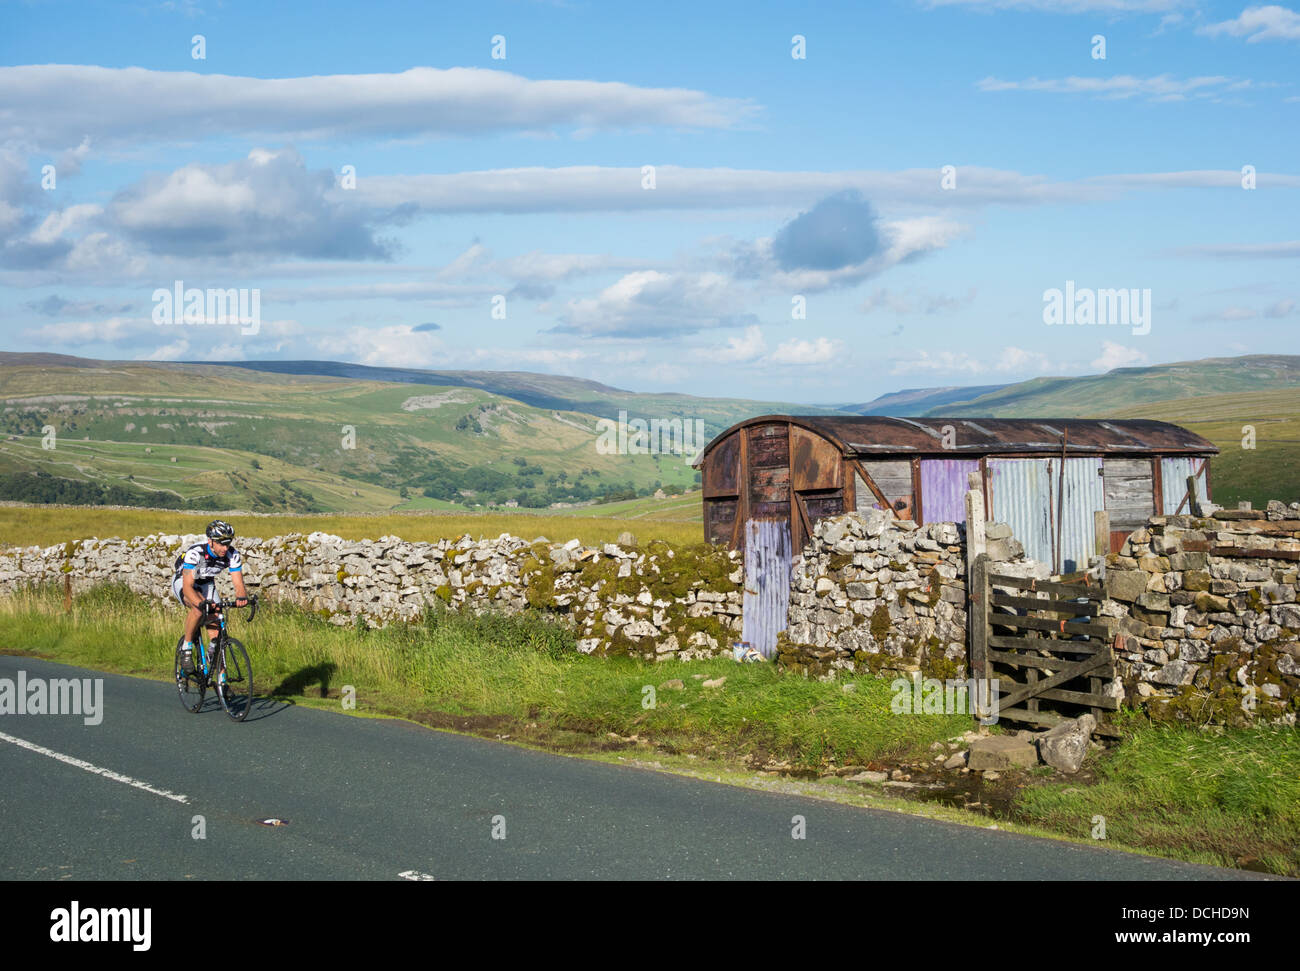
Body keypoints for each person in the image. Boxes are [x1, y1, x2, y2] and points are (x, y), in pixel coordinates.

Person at [173, 520, 249, 675]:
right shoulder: (196, 553)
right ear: (210, 541)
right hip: (185, 581)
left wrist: (242, 597)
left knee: (217, 618)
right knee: (199, 609)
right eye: (221, 544)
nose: (225, 548)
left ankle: (221, 679)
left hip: (206, 582)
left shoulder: (232, 554)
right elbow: (188, 587)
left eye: (228, 543)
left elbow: (238, 583)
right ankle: (186, 648)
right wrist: (201, 603)